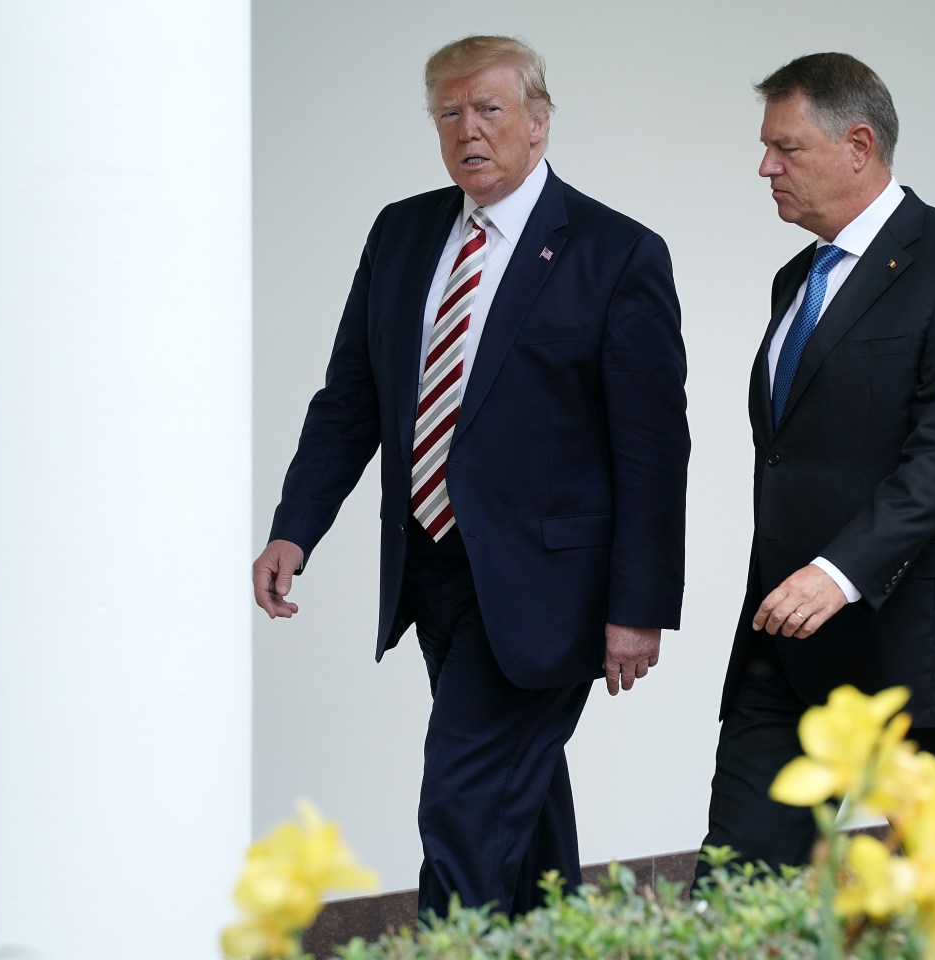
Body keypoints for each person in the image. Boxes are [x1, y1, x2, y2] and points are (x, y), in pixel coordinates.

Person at [252, 35, 689, 917]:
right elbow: (351, 398)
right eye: (448, 113)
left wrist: (638, 607)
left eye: (488, 108)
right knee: (514, 796)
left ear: (539, 120)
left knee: (463, 795)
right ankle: (560, 935)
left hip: (552, 583)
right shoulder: (402, 232)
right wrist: (295, 527)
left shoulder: (616, 254)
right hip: (433, 569)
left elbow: (652, 451)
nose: (468, 130)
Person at [697, 52, 935, 877]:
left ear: (858, 145)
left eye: (786, 148)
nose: (764, 166)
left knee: (933, 908)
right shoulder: (796, 280)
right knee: (737, 890)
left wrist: (838, 570)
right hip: (785, 645)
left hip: (915, 648)